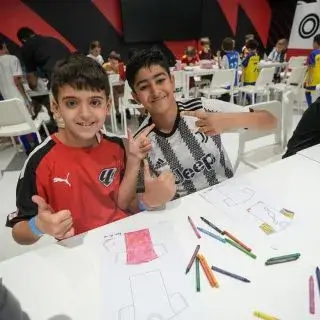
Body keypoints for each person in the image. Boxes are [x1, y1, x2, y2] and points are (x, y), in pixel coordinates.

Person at [6, 55, 176, 245]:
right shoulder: (39, 162)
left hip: (126, 238)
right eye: (72, 103)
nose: (85, 114)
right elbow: (18, 232)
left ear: (107, 105)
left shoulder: (120, 146)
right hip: (79, 253)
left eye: (94, 102)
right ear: (56, 107)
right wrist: (38, 226)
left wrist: (147, 199)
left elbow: (125, 204)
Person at [126, 48, 277, 198]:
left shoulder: (202, 107)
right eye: (144, 87)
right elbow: (138, 196)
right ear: (136, 97)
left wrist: (227, 120)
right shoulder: (141, 142)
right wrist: (150, 199)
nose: (155, 91)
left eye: (160, 80)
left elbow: (270, 121)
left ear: (172, 81)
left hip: (229, 198)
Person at [305, 34, 320, 107]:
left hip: (314, 79)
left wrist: (309, 78)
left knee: (307, 91)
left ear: (315, 43)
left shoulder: (313, 53)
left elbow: (311, 67)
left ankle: (310, 107)